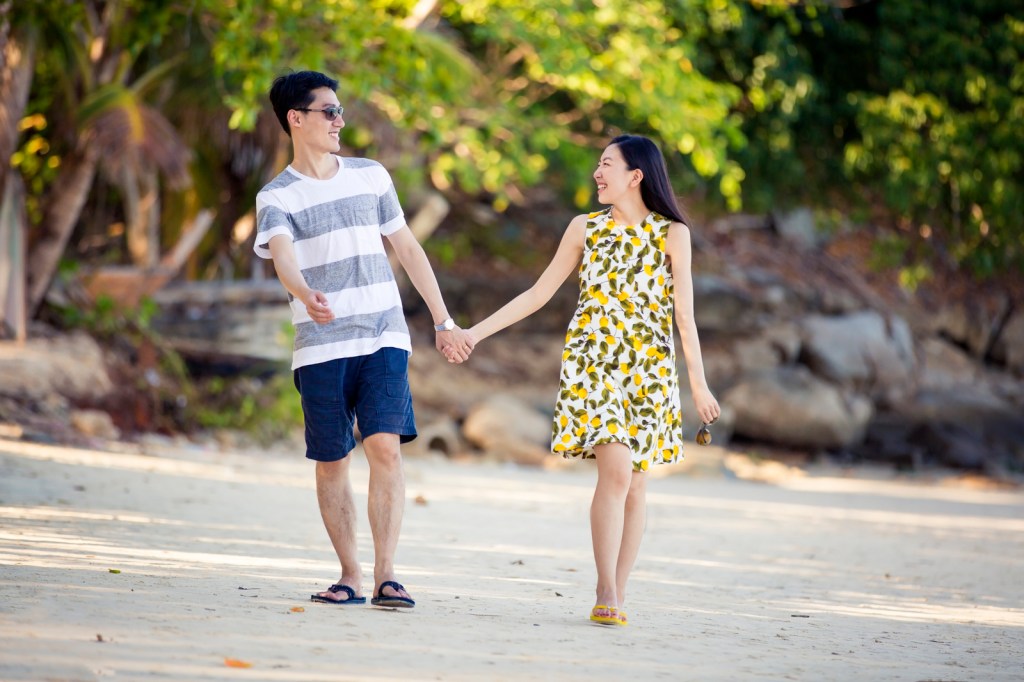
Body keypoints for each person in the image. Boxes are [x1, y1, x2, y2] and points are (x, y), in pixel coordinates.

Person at [455, 134, 720, 626]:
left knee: (637, 485)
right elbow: (537, 294)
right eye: (598, 165)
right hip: (593, 363)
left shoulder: (672, 234)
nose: (597, 174)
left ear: (635, 175)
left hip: (649, 370)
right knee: (617, 472)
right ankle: (604, 586)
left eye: (606, 165)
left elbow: (685, 314)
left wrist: (699, 385)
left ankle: (619, 589)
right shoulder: (585, 228)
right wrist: (475, 332)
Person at [254, 70, 474, 609]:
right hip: (321, 344)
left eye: (340, 111)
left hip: (383, 334)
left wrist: (444, 321)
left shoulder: (371, 176)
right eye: (328, 111)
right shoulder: (276, 195)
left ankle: (387, 575)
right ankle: (349, 574)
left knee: (385, 447)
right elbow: (282, 257)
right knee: (332, 460)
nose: (339, 120)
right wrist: (305, 292)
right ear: (296, 119)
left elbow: (408, 249)